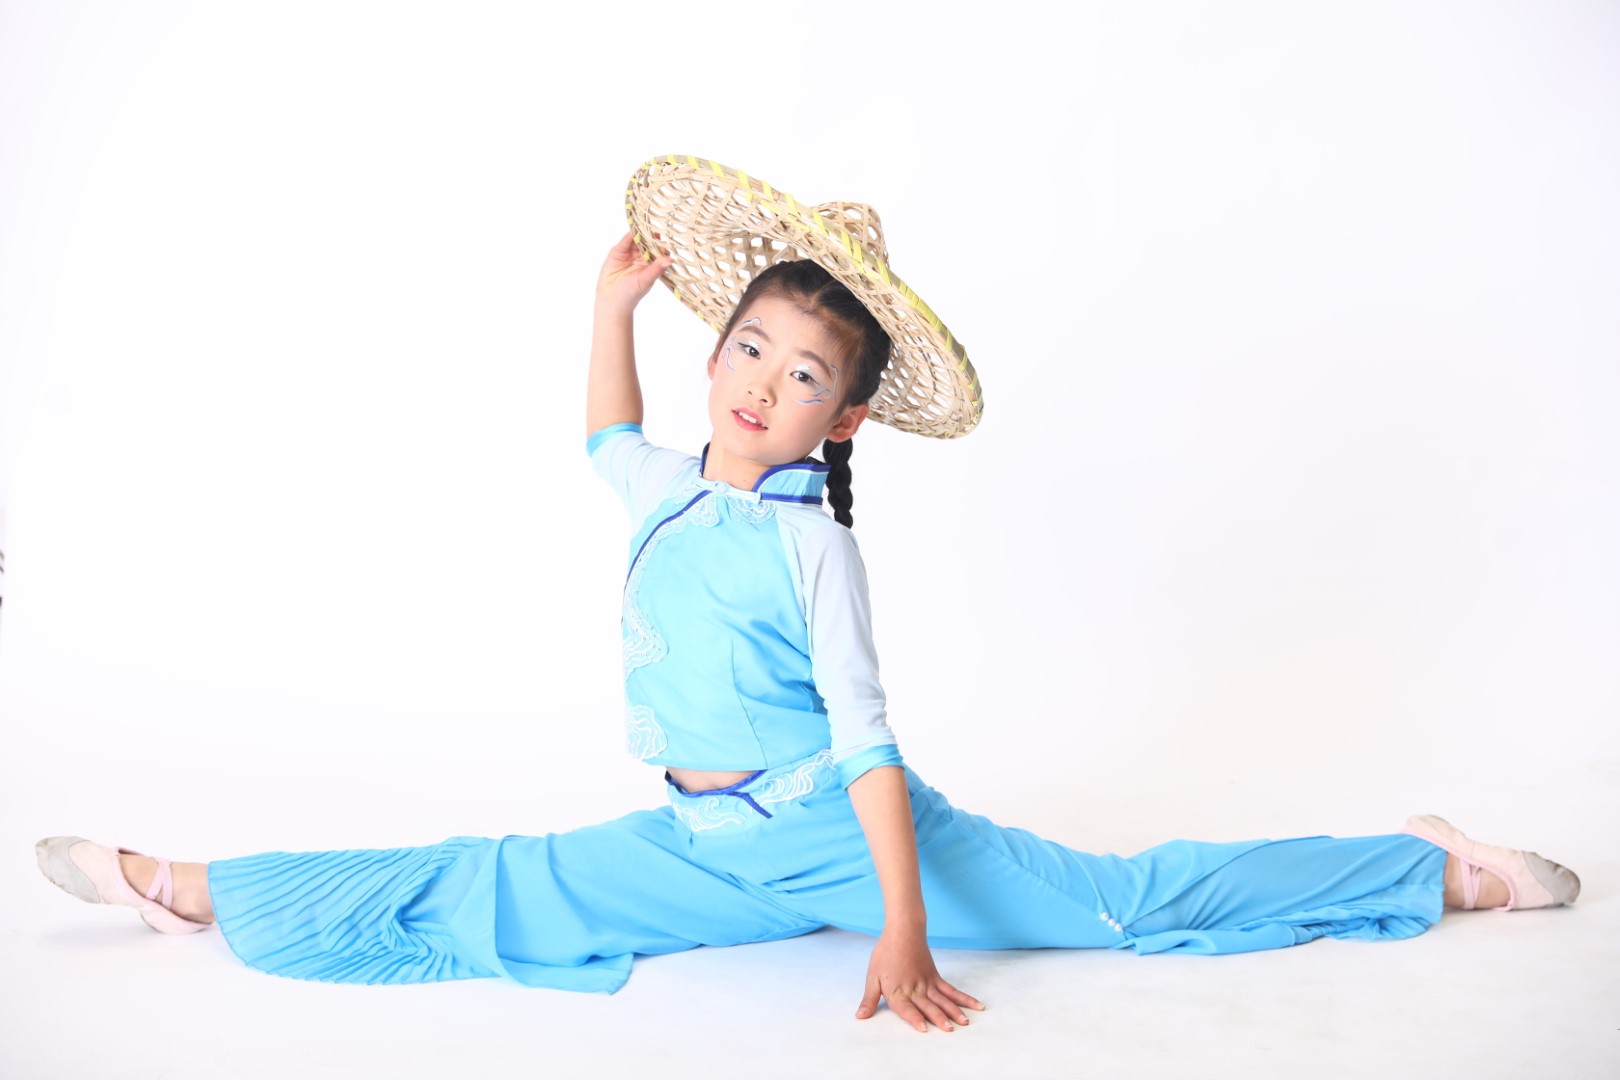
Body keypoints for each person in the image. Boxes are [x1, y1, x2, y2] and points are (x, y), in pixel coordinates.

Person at [36, 158, 1580, 1034]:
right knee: (496, 881)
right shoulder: (663, 486)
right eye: (753, 350)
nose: (766, 383)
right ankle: (201, 888)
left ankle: (1424, 865)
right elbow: (601, 435)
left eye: (805, 376)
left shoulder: (813, 547)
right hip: (701, 847)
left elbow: (871, 750)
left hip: (840, 837)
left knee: (1130, 907)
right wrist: (607, 307)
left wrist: (904, 927)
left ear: (843, 420)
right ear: (717, 356)